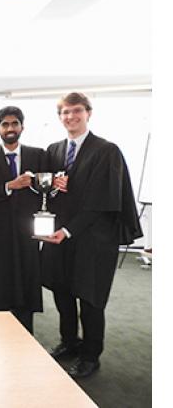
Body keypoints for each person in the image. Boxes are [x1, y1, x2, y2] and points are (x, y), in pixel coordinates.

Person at [42, 92, 142, 378]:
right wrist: (52, 187)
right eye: (65, 112)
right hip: (61, 236)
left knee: (90, 298)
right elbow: (49, 194)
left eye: (76, 111)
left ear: (88, 113)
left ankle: (90, 355)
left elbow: (103, 201)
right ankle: (69, 342)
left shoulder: (107, 151)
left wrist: (68, 230)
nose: (70, 117)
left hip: (94, 239)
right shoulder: (55, 149)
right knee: (62, 291)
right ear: (59, 117)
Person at [0, 106, 44, 333]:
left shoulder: (39, 155)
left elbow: (48, 191)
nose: (10, 128)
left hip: (27, 232)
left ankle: (27, 338)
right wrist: (8, 186)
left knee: (26, 284)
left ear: (22, 126)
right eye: (5, 124)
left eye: (15, 123)